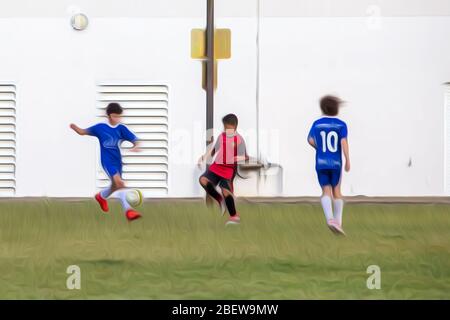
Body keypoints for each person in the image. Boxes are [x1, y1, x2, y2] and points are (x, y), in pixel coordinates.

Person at [70, 102, 142, 221]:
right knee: (119, 183)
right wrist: (75, 128)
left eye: (119, 116)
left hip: (118, 161)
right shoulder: (100, 128)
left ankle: (101, 196)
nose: (117, 119)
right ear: (108, 116)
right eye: (115, 116)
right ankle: (129, 211)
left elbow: (135, 139)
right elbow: (83, 132)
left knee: (114, 186)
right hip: (107, 161)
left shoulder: (121, 128)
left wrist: (136, 146)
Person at [308, 95, 350, 235]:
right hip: (336, 163)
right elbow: (343, 142)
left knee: (326, 191)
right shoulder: (341, 125)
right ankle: (338, 222)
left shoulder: (317, 124)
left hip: (321, 162)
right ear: (336, 109)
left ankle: (330, 219)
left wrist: (320, 149)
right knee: (337, 192)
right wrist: (347, 159)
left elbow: (310, 140)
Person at [198, 114, 248, 225]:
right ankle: (219, 200)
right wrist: (204, 156)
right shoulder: (221, 136)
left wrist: (237, 158)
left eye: (229, 128)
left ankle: (234, 217)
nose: (227, 130)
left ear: (235, 127)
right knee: (203, 180)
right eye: (225, 128)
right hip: (217, 166)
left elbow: (245, 157)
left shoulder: (239, 140)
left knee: (226, 191)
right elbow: (214, 150)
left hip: (228, 169)